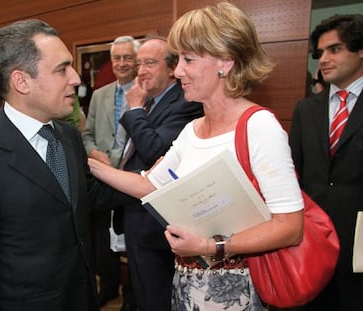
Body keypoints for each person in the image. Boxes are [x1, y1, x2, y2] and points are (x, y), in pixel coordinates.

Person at [88, 2, 304, 310]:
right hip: (186, 286)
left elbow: (290, 226)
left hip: (236, 291)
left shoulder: (259, 127)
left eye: (188, 59)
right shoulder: (192, 130)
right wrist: (90, 166)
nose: (177, 72)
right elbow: (151, 185)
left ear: (225, 63)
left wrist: (208, 246)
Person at [0, 19, 99, 311]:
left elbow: (83, 197)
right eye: (61, 69)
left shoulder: (67, 135)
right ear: (21, 81)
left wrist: (153, 179)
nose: (76, 78)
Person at [91, 36, 203, 311]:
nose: (141, 71)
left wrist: (136, 108)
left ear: (171, 68)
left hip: (156, 219)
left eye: (150, 63)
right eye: (139, 64)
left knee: (156, 293)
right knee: (142, 289)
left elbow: (155, 150)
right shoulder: (154, 100)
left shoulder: (184, 102)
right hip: (134, 210)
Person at [290, 13, 363, 311]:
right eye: (320, 53)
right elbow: (294, 172)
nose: (323, 59)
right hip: (313, 238)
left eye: (335, 49)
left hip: (359, 240)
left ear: (360, 51)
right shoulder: (306, 109)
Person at [82, 35, 140, 310]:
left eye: (128, 57)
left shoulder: (146, 93)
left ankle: (132, 295)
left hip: (132, 180)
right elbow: (87, 135)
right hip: (101, 177)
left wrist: (114, 159)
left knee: (132, 239)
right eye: (117, 58)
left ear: (137, 61)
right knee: (102, 239)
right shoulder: (99, 94)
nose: (121, 63)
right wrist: (93, 153)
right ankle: (107, 287)